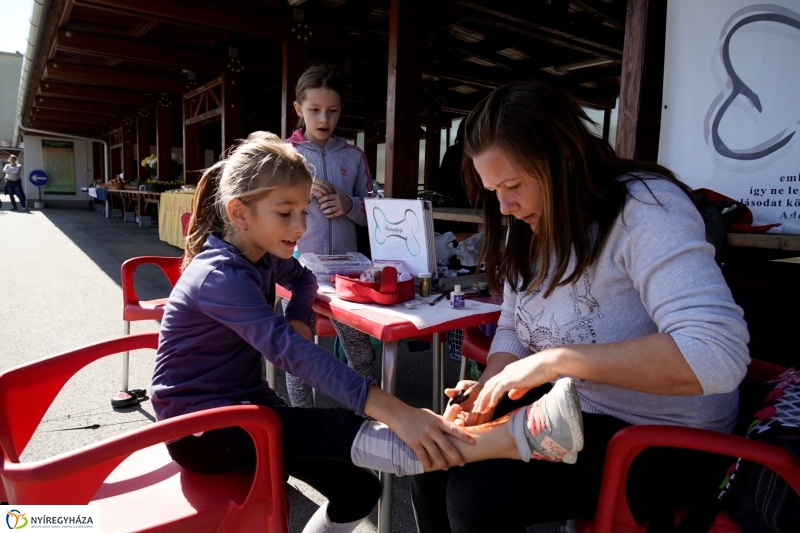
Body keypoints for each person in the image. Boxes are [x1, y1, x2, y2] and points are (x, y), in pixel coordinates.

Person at [150, 131, 589, 533]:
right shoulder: (219, 276)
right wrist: (396, 411)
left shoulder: (258, 255)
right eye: (286, 213)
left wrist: (299, 315)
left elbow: (301, 279)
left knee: (359, 489)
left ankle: (480, 436)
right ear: (238, 213)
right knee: (339, 428)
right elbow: (296, 356)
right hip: (205, 432)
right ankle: (519, 438)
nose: (301, 227)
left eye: (303, 211)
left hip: (247, 410)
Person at [410, 81, 751, 533]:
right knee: (433, 459)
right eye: (494, 191)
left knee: (479, 495)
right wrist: (489, 387)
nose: (505, 206)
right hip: (573, 410)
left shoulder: (645, 209)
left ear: (564, 162)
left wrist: (557, 362)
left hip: (668, 439)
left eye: (513, 185)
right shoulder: (527, 222)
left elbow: (718, 356)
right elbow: (513, 325)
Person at [284, 65, 376, 409]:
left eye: (333, 111)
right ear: (298, 110)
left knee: (362, 354)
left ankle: (363, 422)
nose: (324, 119)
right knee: (299, 355)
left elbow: (373, 215)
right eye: (314, 110)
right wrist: (300, 197)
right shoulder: (285, 156)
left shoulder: (353, 157)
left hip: (346, 278)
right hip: (296, 274)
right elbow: (269, 210)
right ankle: (305, 427)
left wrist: (349, 203)